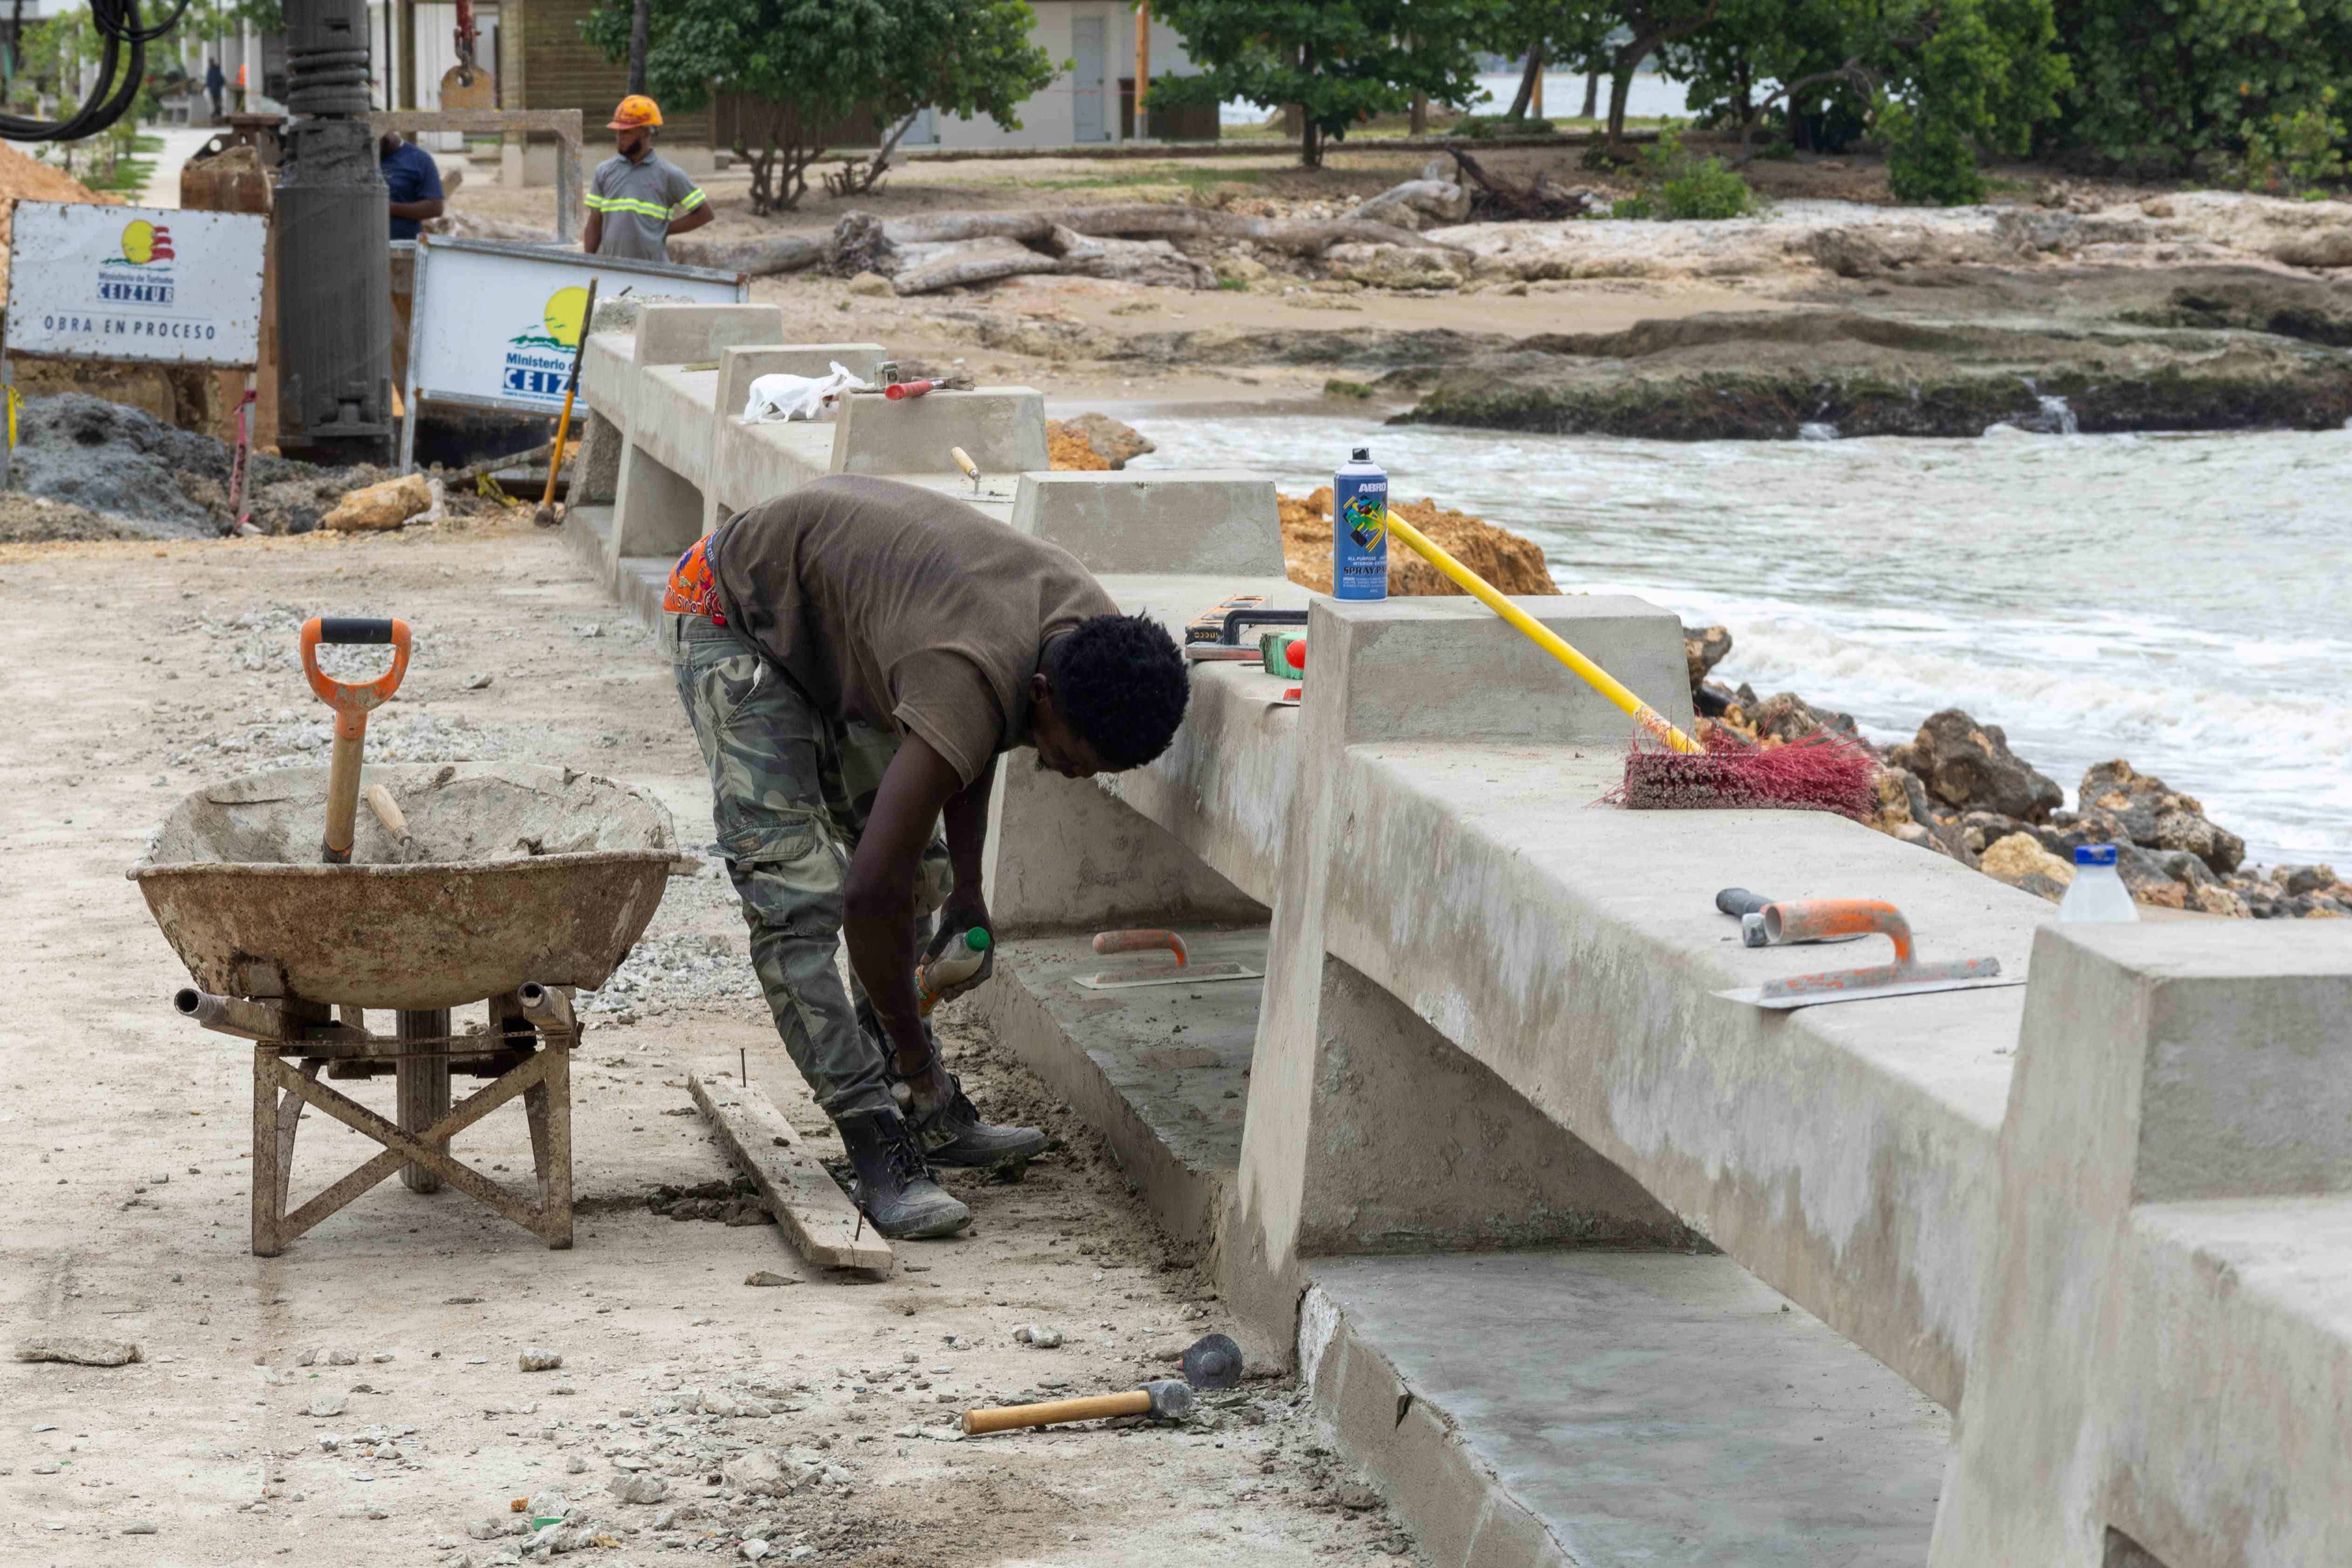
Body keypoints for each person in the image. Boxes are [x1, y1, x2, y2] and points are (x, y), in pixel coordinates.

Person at [664, 476, 1191, 1238]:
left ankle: (924, 1110)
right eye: (1073, 760)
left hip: (842, 622)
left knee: (927, 876)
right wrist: (918, 1056)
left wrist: (970, 891)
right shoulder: (968, 669)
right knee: (797, 900)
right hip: (732, 612)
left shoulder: (1089, 632)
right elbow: (865, 894)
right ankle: (879, 1136)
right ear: (1046, 694)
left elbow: (982, 731)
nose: (1074, 776)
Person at [581, 95, 711, 265]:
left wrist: (664, 230)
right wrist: (587, 261)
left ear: (644, 133)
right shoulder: (604, 172)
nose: (620, 137)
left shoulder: (669, 175)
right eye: (618, 132)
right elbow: (595, 221)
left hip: (654, 274)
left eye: (626, 132)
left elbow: (704, 214)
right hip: (612, 271)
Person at [380, 131, 445, 241]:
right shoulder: (360, 156)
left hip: (403, 247)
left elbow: (436, 207)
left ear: (387, 141)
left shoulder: (419, 159)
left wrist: (388, 207)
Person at [205, 58, 225, 122]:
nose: (210, 63)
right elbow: (209, 80)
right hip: (213, 90)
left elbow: (220, 79)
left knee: (217, 102)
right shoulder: (211, 70)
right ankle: (217, 113)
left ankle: (217, 113)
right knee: (215, 102)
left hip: (217, 89)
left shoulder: (216, 70)